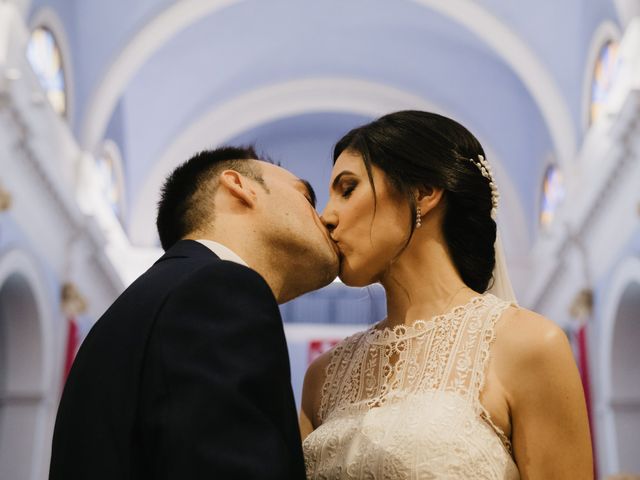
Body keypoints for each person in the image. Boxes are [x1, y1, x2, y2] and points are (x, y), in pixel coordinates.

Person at [300, 111, 593, 479]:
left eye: (347, 189)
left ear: (423, 192)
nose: (326, 217)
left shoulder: (528, 346)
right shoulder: (323, 378)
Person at [49, 146, 338, 480]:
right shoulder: (219, 289)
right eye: (307, 196)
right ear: (239, 186)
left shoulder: (155, 300)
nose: (327, 219)